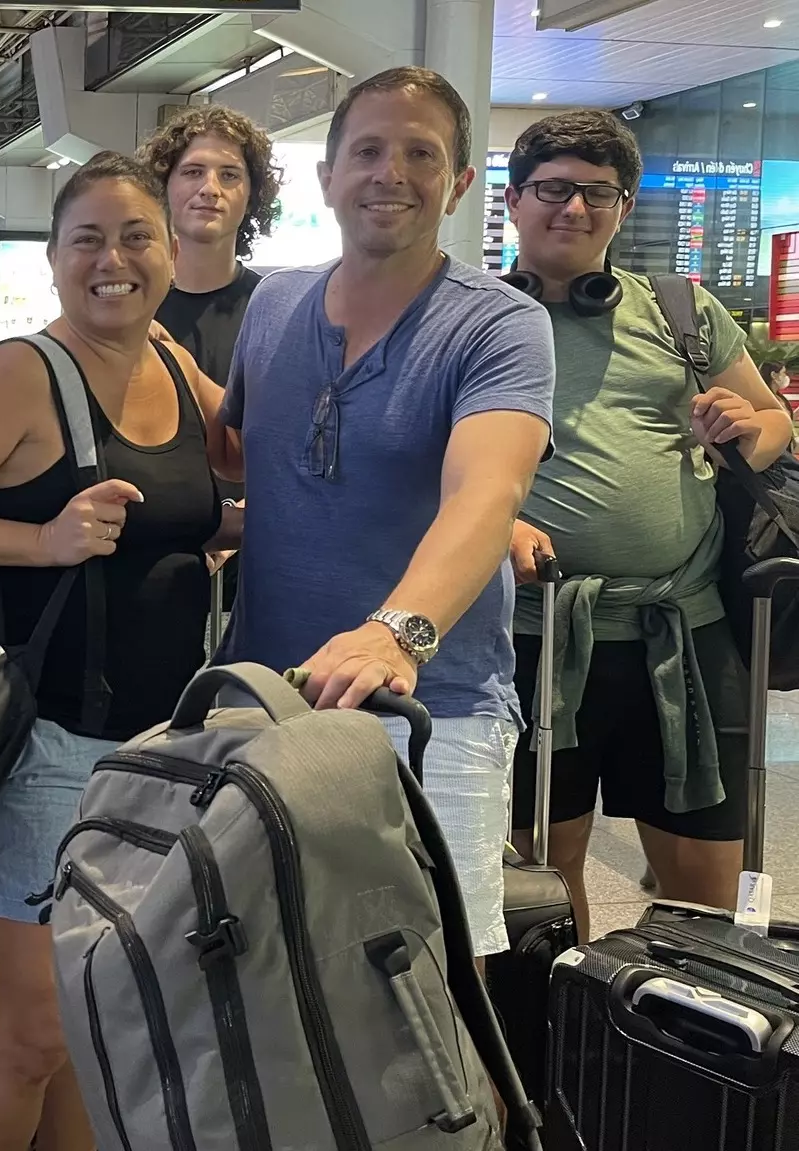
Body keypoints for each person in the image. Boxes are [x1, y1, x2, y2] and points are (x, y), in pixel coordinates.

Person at [0, 151, 233, 1151]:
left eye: (135, 236)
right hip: (51, 748)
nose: (114, 259)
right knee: (33, 1028)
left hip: (163, 747)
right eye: (89, 240)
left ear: (168, 250)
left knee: (98, 1016)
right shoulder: (19, 373)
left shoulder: (174, 368)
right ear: (56, 259)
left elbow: (230, 485)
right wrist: (41, 539)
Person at [216, 66, 557, 960]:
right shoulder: (274, 305)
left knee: (433, 1000)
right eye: (366, 151)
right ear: (327, 175)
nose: (390, 173)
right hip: (268, 700)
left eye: (421, 154)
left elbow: (487, 490)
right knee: (267, 977)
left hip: (430, 711)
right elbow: (240, 451)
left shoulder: (499, 325)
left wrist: (394, 632)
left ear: (458, 183)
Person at [500, 110, 793, 936]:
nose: (574, 209)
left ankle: (686, 1046)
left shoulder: (678, 311)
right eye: (552, 189)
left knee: (708, 878)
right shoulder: (474, 318)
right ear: (515, 200)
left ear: (622, 209)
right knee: (542, 878)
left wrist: (748, 424)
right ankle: (566, 1045)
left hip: (685, 634)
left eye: (598, 193)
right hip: (534, 635)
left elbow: (775, 429)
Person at [139, 104, 282, 588]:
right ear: (164, 186)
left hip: (258, 563)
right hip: (151, 555)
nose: (210, 188)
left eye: (229, 175)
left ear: (252, 194)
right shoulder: (130, 313)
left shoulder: (280, 311)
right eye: (193, 172)